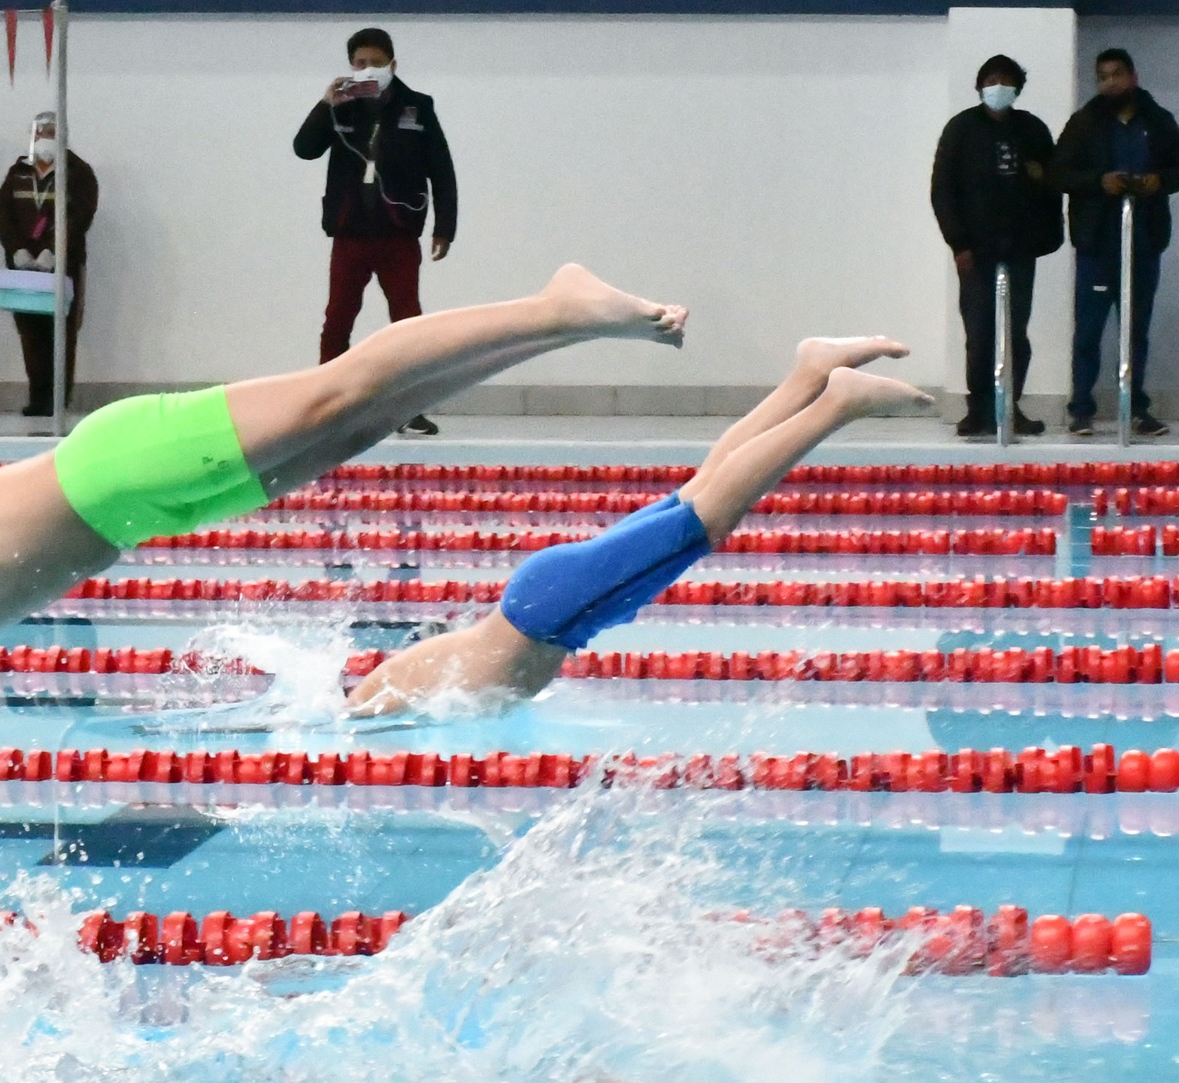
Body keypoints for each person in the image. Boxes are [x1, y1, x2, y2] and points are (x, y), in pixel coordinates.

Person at [0, 264, 690, 840]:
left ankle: (556, 303)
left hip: (121, 465)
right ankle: (560, 333)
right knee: (364, 424)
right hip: (150, 503)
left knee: (338, 391)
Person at [345, 338, 930, 715]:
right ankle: (809, 373)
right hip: (549, 604)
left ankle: (838, 402)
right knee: (698, 495)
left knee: (707, 519)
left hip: (549, 612)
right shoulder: (388, 685)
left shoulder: (371, 708)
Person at [294, 27, 458, 437]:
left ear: (393, 64)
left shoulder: (418, 107)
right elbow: (304, 148)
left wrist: (445, 228)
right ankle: (328, 408)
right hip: (350, 232)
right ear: (351, 66)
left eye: (376, 62)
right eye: (360, 62)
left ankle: (409, 408)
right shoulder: (342, 107)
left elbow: (442, 170)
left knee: (408, 323)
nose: (368, 69)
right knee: (337, 318)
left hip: (399, 233)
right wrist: (325, 104)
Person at [929, 54, 1062, 439]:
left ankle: (1010, 405)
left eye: (1006, 80)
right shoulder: (961, 129)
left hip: (1021, 247)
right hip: (976, 249)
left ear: (1018, 87)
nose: (998, 86)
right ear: (979, 85)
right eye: (991, 79)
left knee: (1016, 332)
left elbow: (1054, 185)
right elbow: (943, 190)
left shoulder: (1033, 129)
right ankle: (979, 409)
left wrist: (1044, 235)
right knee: (980, 331)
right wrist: (959, 244)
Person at [1052, 48, 1179, 438]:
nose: (1110, 83)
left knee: (1135, 329)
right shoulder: (1084, 124)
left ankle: (1137, 408)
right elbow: (1058, 174)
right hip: (1097, 245)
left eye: (1116, 75)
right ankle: (1081, 410)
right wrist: (1098, 182)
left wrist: (1160, 181)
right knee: (1088, 331)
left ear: (1132, 76)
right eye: (1103, 76)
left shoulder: (1158, 121)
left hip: (1143, 244)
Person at [0, 112, 99, 418]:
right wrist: (16, 249)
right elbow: (4, 215)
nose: (45, 137)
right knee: (30, 334)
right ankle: (37, 396)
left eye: (52, 132)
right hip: (24, 269)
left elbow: (81, 216)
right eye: (40, 132)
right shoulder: (18, 172)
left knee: (61, 334)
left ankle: (58, 398)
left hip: (63, 267)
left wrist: (54, 251)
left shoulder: (78, 172)